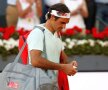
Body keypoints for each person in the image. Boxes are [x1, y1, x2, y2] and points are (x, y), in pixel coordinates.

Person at [27, 3, 78, 89]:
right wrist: (63, 67)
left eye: (66, 23)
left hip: (50, 84)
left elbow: (63, 59)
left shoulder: (57, 34)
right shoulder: (38, 32)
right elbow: (35, 61)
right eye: (62, 22)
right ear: (52, 17)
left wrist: (69, 65)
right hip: (37, 85)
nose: (64, 27)